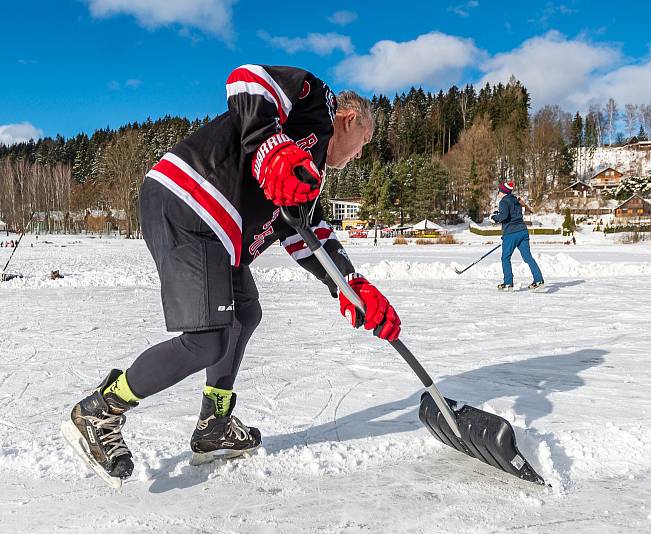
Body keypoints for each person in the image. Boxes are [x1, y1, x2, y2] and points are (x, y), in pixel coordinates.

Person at [63, 64, 402, 487]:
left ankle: (214, 425)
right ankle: (100, 411)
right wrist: (270, 148)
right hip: (190, 200)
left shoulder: (308, 178)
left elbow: (307, 235)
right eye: (364, 143)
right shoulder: (314, 101)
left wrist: (351, 285)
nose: (359, 157)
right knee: (207, 340)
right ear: (349, 120)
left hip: (222, 237)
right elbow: (248, 79)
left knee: (246, 313)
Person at [490, 180, 545, 290]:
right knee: (528, 257)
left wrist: (494, 218)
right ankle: (539, 280)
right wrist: (498, 214)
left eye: (499, 191)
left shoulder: (503, 202)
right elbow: (510, 214)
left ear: (503, 192)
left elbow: (504, 216)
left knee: (505, 258)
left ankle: (508, 283)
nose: (498, 194)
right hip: (523, 231)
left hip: (511, 233)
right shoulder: (516, 200)